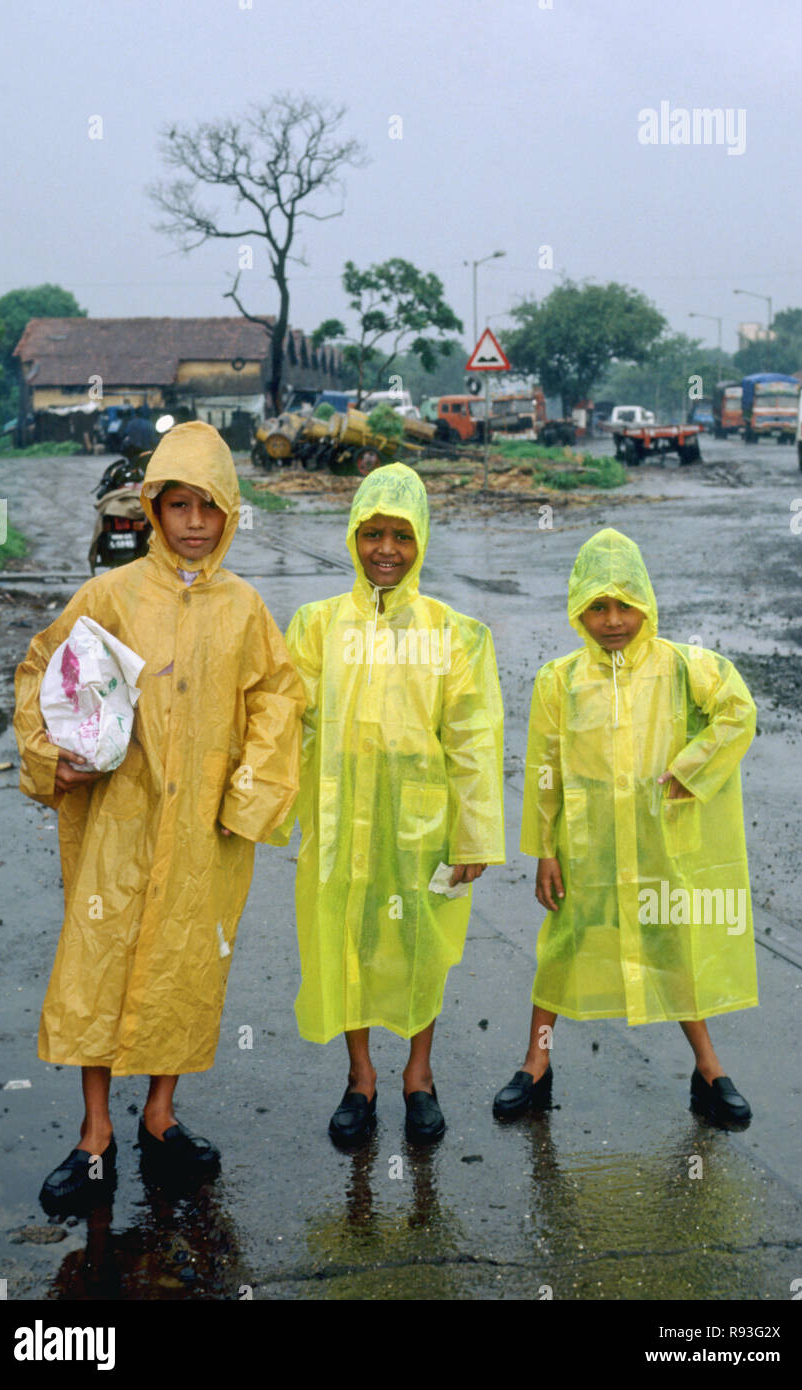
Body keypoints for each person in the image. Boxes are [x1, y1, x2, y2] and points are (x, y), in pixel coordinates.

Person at [14, 421, 304, 1212]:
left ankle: (161, 1115)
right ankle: (95, 1134)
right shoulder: (109, 595)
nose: (195, 523)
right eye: (178, 505)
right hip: (117, 824)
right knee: (98, 965)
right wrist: (54, 757)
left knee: (184, 968)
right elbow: (46, 668)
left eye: (210, 507)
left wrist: (247, 796)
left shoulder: (246, 609)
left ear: (231, 513)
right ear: (151, 507)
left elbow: (278, 698)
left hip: (203, 830)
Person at [272, 462, 505, 1146]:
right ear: (352, 536)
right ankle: (361, 1078)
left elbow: (473, 739)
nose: (385, 549)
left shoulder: (457, 634)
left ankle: (419, 1076)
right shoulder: (315, 626)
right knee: (348, 945)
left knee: (419, 949)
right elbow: (288, 724)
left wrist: (475, 833)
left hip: (423, 829)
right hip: (341, 825)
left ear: (421, 541)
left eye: (401, 535)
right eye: (372, 532)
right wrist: (264, 808)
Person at [493, 528, 758, 1126]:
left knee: (671, 947)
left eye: (625, 606)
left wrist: (692, 769)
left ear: (646, 604)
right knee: (561, 949)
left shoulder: (684, 668)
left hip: (659, 844)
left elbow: (739, 711)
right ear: (578, 608)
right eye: (597, 607)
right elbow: (544, 771)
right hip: (585, 848)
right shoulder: (558, 681)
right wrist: (544, 850)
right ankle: (535, 1065)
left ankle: (709, 1069)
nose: (613, 621)